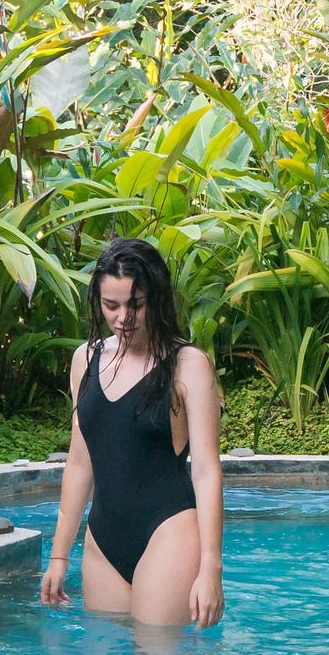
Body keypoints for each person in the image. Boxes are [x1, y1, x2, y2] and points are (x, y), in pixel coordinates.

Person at [44, 237, 225, 626]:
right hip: (103, 541)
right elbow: (80, 463)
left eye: (135, 305)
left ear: (156, 299)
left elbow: (207, 470)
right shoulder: (85, 360)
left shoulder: (188, 365)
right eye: (111, 306)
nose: (123, 317)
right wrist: (59, 556)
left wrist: (211, 569)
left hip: (169, 533)